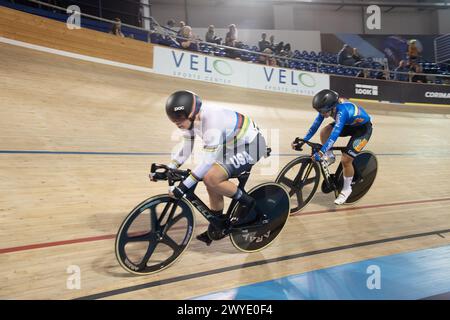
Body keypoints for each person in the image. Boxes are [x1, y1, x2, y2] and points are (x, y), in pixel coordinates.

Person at [154, 90, 267, 245]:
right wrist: (170, 168)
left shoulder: (212, 119)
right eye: (173, 119)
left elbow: (207, 161)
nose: (177, 123)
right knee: (211, 184)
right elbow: (187, 147)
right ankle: (217, 225)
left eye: (179, 118)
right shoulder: (191, 121)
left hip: (253, 145)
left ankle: (251, 204)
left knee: (211, 177)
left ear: (192, 113)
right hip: (232, 145)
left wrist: (184, 185)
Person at [293, 90, 373, 205]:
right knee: (324, 131)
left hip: (362, 130)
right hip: (349, 124)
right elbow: (315, 125)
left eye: (323, 111)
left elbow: (334, 135)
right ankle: (330, 156)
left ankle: (346, 190)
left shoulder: (342, 111)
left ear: (332, 107)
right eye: (319, 111)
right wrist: (304, 140)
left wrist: (321, 153)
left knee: (346, 160)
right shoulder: (328, 109)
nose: (321, 113)